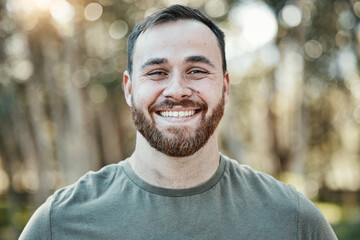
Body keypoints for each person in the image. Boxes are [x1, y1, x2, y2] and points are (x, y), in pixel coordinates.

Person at [20, 4, 337, 240]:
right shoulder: (58, 223)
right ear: (129, 89)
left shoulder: (294, 222)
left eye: (197, 71)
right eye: (157, 72)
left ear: (225, 87)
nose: (177, 90)